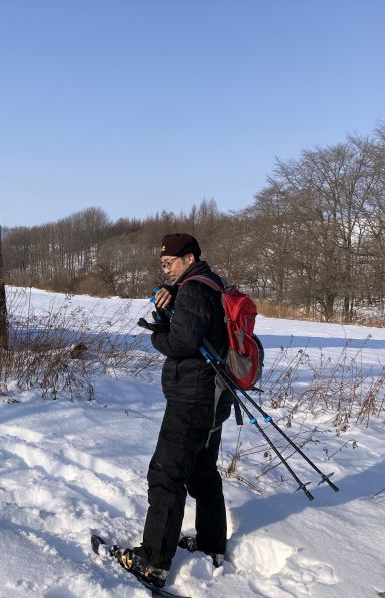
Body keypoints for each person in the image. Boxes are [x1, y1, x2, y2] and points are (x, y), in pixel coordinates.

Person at [121, 233, 233, 588]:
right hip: (215, 396)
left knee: (166, 475)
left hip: (192, 398)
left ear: (189, 257)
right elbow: (196, 332)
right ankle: (211, 544)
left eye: (169, 263)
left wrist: (157, 335)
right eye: (162, 265)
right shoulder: (211, 284)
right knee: (202, 471)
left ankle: (153, 561)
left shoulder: (195, 290)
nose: (166, 270)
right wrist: (169, 307)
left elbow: (183, 341)